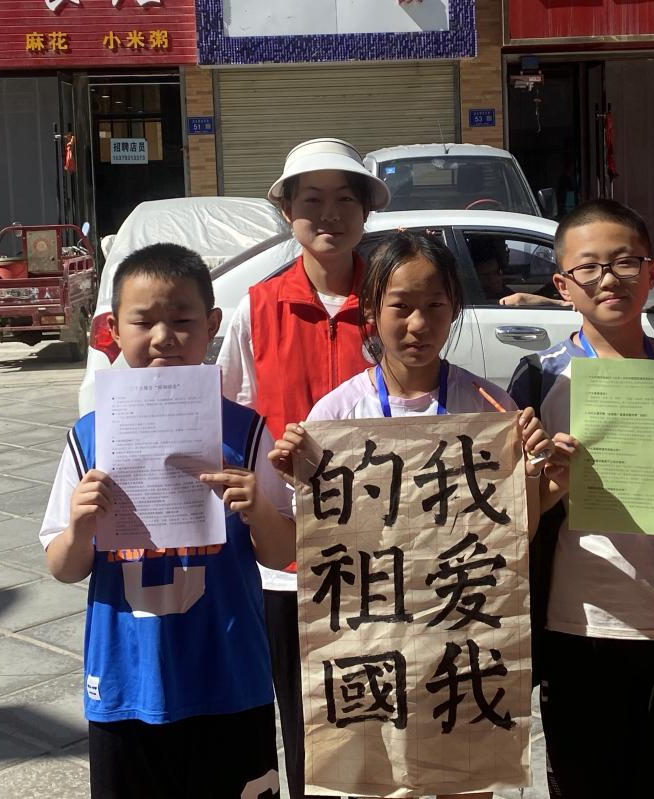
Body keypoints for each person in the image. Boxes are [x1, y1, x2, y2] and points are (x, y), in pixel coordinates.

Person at [269, 231, 555, 799]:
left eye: (435, 306)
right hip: (373, 635)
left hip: (458, 628)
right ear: (371, 312)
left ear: (455, 310)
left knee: (461, 776)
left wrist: (533, 476)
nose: (418, 324)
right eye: (401, 306)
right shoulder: (337, 414)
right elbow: (312, 540)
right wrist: (295, 471)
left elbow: (516, 535)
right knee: (374, 778)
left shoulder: (489, 409)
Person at [39, 243, 295, 798]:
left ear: (212, 325)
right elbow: (62, 566)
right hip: (127, 682)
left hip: (230, 676)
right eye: (143, 321)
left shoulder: (246, 431)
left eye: (182, 321)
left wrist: (258, 509)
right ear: (113, 329)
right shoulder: (89, 436)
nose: (163, 337)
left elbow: (281, 553)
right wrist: (80, 527)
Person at [507, 199, 654, 799]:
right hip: (577, 622)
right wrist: (548, 486)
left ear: (652, 272)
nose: (608, 279)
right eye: (589, 267)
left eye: (625, 262)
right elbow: (513, 517)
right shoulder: (539, 379)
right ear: (562, 285)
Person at [216, 137, 389, 799]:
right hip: (286, 562)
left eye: (345, 199)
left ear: (366, 211)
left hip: (384, 554)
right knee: (303, 724)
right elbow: (230, 420)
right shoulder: (257, 308)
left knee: (382, 723)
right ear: (287, 211)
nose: (329, 214)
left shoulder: (390, 303)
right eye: (311, 200)